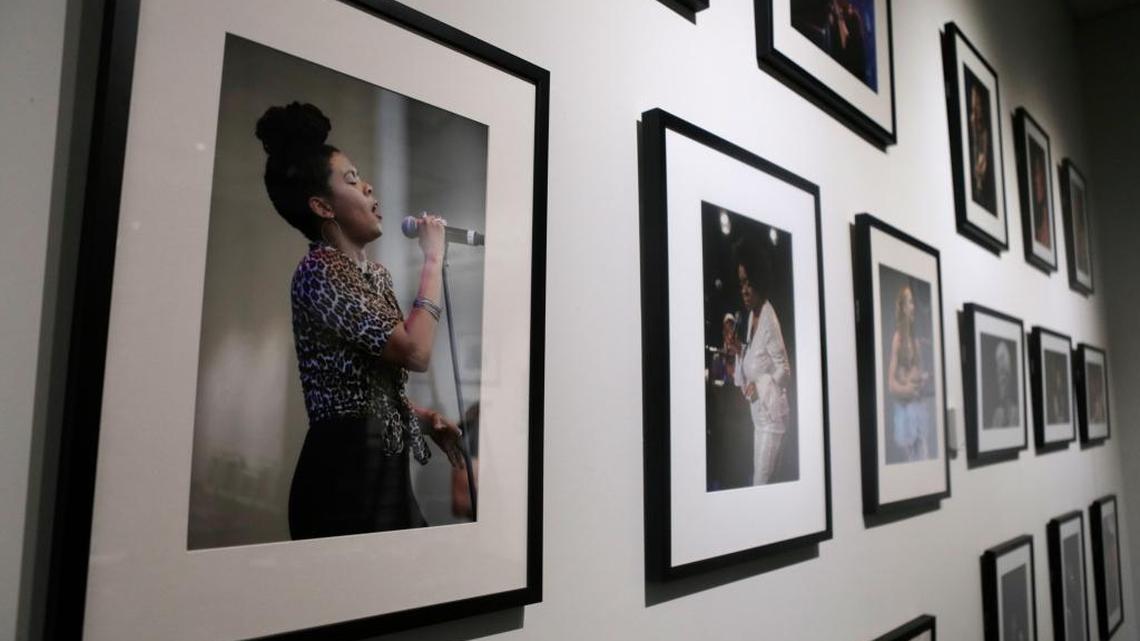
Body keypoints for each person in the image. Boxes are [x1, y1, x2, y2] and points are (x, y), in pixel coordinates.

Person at [254, 102, 464, 539]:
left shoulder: (375, 275)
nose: (368, 187)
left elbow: (370, 390)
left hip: (381, 469)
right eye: (352, 181)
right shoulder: (320, 272)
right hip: (343, 474)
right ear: (322, 206)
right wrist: (433, 258)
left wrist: (425, 418)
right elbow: (415, 352)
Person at [726, 238, 791, 485]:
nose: (743, 290)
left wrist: (760, 383)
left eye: (748, 283)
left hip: (773, 421)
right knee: (758, 481)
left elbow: (784, 370)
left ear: (759, 281)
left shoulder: (768, 318)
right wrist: (739, 350)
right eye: (741, 283)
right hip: (759, 418)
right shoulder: (753, 314)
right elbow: (758, 358)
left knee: (760, 484)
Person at [887, 282, 931, 460]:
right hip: (905, 413)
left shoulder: (915, 342)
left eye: (914, 302)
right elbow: (891, 385)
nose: (913, 307)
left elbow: (918, 375)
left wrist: (923, 379)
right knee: (912, 460)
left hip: (918, 409)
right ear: (903, 307)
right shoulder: (898, 339)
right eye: (910, 302)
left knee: (924, 456)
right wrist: (908, 389)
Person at [989, 340, 1019, 428]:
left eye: (1002, 358)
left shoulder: (1016, 412)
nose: (1000, 366)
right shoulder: (997, 415)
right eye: (998, 361)